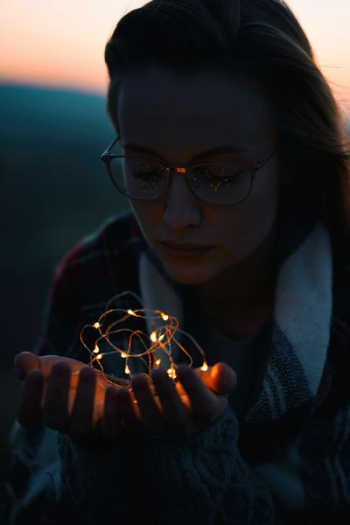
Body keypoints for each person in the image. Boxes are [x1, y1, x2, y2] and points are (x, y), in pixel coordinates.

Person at [5, 0, 350, 523]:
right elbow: (31, 497)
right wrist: (95, 451)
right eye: (145, 171)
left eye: (218, 176)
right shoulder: (96, 277)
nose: (177, 216)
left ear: (293, 158)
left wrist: (196, 455)